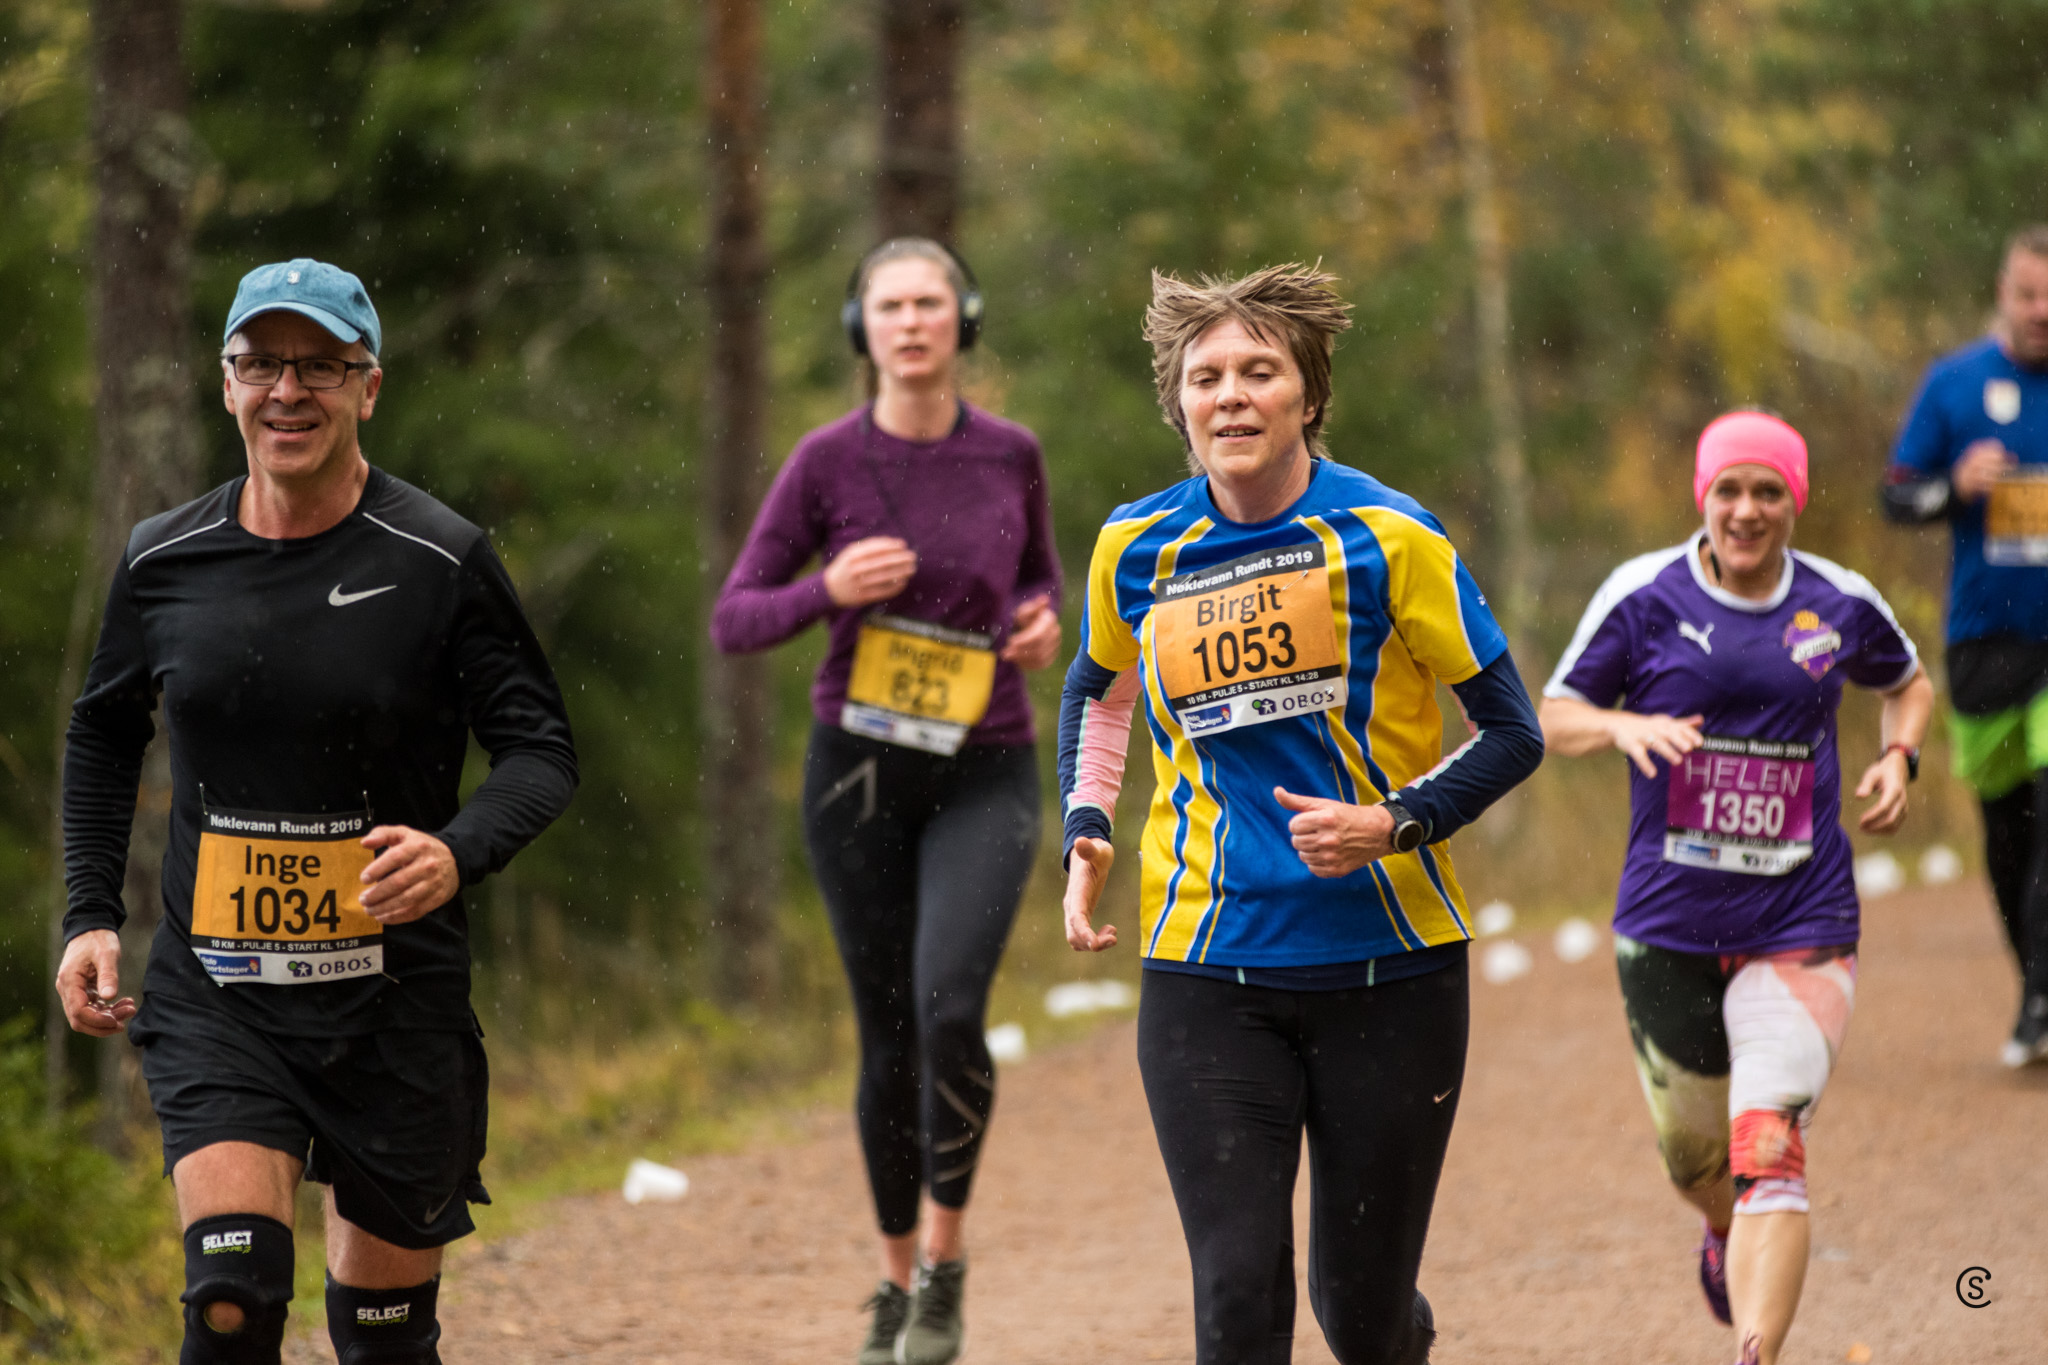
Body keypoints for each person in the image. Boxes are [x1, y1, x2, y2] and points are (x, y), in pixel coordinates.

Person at [55, 259, 579, 1365]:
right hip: (220, 991)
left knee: (384, 1342)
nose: (287, 391)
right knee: (231, 1299)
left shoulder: (440, 557)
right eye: (261, 364)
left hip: (393, 1000)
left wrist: (456, 851)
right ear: (227, 382)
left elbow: (540, 749)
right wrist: (90, 913)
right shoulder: (163, 558)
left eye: (321, 366)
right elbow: (102, 732)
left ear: (368, 387)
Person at [1059, 264, 1543, 1365]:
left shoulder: (1389, 536)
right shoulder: (1134, 547)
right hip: (1206, 965)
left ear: (1308, 394)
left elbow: (1512, 731)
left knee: (1362, 1315)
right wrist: (1087, 823)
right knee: (1236, 1297)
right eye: (1206, 377)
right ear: (1179, 406)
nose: (1230, 394)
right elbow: (1098, 690)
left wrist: (1393, 822)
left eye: (1258, 371)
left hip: (1390, 966)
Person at [709, 237, 1060, 1365]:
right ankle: (894, 1280)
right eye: (889, 305)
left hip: (986, 764)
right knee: (888, 1033)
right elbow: (735, 617)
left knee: (949, 1007)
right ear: (861, 328)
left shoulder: (1011, 452)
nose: (910, 322)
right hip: (858, 773)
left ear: (963, 318)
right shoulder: (824, 461)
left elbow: (1040, 581)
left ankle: (946, 1266)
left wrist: (1043, 624)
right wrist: (829, 586)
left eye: (928, 303)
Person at [1543, 411, 1932, 1365]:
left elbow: (1909, 682)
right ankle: (1721, 1227)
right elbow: (1552, 715)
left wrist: (1900, 757)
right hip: (1667, 922)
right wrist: (1623, 728)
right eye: (1729, 489)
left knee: (1768, 1145)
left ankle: (1755, 1351)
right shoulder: (1644, 596)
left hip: (1803, 917)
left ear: (1795, 499)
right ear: (1703, 496)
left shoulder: (1839, 601)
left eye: (1768, 490)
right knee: (1696, 1161)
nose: (1747, 510)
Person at [1882, 223, 2048, 1067]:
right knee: (2008, 827)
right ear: (2002, 294)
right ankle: (2037, 988)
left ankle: (2043, 996)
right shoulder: (1954, 385)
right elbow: (1895, 497)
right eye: (2029, 293)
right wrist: (1956, 486)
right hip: (1987, 637)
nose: (2043, 310)